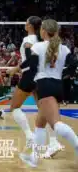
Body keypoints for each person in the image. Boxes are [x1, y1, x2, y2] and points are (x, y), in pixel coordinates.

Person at [19, 19, 78, 167]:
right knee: (39, 123)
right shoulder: (64, 48)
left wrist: (17, 69)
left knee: (56, 125)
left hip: (44, 85)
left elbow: (31, 66)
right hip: (58, 86)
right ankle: (34, 158)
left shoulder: (38, 46)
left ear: (43, 31)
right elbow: (73, 66)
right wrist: (60, 74)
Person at [8, 16, 42, 149]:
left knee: (15, 107)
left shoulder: (28, 40)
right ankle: (52, 141)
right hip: (40, 76)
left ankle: (30, 136)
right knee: (43, 110)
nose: (25, 24)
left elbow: (30, 61)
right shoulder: (41, 40)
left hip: (30, 76)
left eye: (26, 22)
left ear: (31, 26)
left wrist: (16, 69)